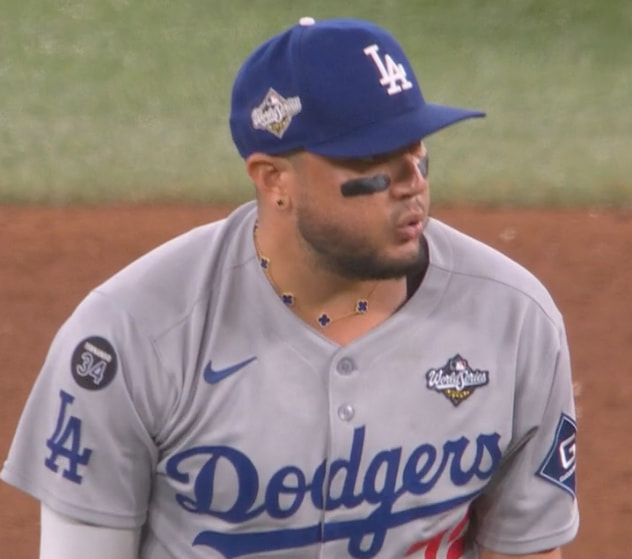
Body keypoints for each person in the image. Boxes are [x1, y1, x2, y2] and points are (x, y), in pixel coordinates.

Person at [1, 16, 579, 559]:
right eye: (374, 160)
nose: (412, 183)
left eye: (418, 148)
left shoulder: (514, 319)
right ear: (274, 179)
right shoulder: (133, 334)